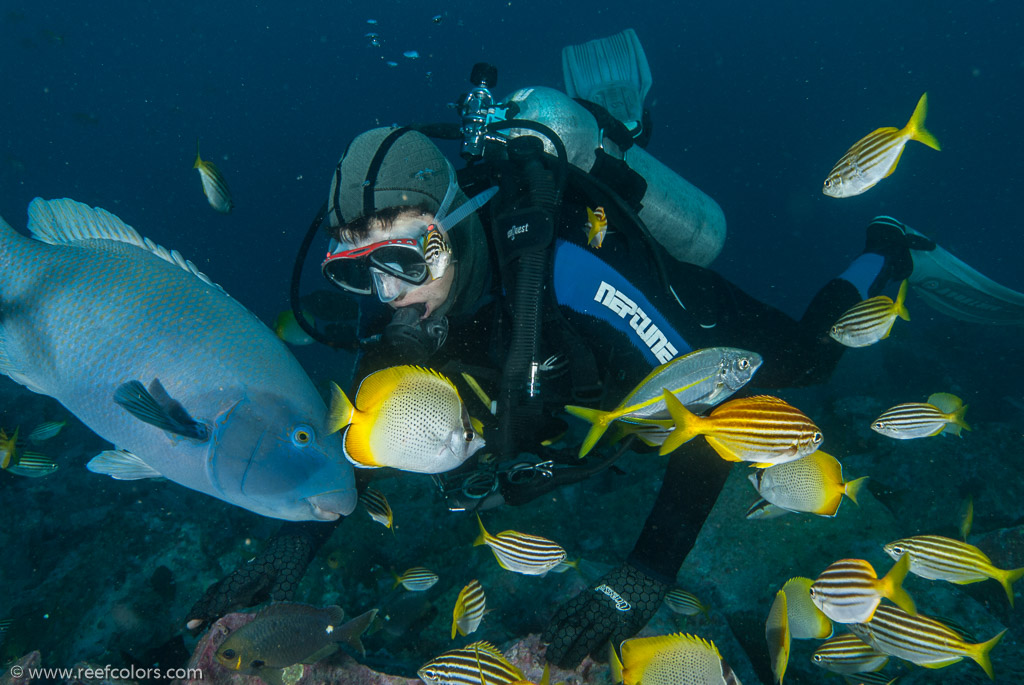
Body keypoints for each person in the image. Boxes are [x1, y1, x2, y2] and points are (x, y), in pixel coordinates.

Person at [185, 31, 939, 666]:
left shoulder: (562, 266)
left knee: (813, 359)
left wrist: (642, 575)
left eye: (408, 260)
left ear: (460, 218)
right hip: (587, 405)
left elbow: (719, 406)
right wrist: (290, 549)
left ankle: (888, 249)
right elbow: (359, 440)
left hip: (672, 324)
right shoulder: (394, 318)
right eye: (358, 268)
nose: (391, 294)